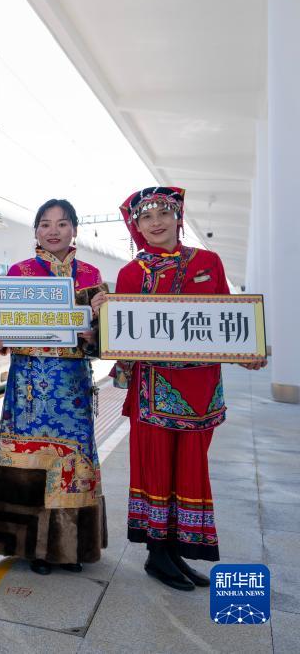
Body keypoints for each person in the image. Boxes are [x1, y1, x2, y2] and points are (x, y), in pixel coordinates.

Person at [94, 186, 266, 591]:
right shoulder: (131, 273)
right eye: (146, 217)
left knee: (191, 469)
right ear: (136, 227)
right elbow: (120, 337)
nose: (156, 222)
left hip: (201, 390)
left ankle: (176, 552)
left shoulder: (209, 262)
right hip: (153, 391)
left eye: (164, 213)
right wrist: (104, 314)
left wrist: (248, 353)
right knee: (157, 469)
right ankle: (158, 554)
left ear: (178, 218)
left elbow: (227, 321)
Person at [0, 199, 109, 575]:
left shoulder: (91, 275)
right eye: (45, 224)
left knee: (72, 465)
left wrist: (93, 333)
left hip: (72, 387)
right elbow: (3, 329)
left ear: (74, 230)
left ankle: (70, 547)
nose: (53, 231)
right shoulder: (19, 273)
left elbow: (103, 341)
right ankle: (30, 547)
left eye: (62, 223)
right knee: (27, 461)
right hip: (28, 388)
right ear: (36, 231)